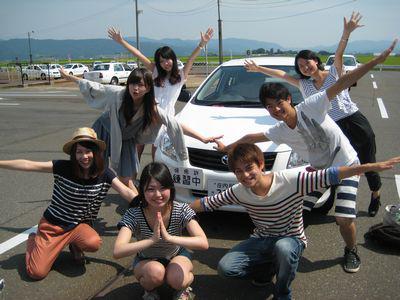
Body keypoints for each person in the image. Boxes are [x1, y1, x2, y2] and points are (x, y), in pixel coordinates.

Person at [214, 40, 397, 274]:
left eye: (279, 103)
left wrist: (376, 61)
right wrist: (224, 148)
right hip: (319, 172)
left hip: (348, 165)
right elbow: (251, 136)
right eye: (270, 107)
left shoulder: (312, 105)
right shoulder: (278, 130)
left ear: (289, 99)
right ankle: (284, 251)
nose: (276, 110)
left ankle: (351, 249)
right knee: (294, 210)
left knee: (343, 218)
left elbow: (343, 82)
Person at [190, 143, 400, 300]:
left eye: (249, 167)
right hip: (262, 238)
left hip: (291, 238)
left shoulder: (291, 180)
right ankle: (268, 269)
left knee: (283, 248)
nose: (245, 175)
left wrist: (370, 166)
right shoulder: (239, 191)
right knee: (226, 268)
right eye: (238, 171)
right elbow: (208, 203)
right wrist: (172, 210)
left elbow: (333, 173)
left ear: (261, 164)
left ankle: (282, 292)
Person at [244, 12, 383, 217]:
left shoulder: (334, 74)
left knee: (366, 160)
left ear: (316, 61)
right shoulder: (304, 85)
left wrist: (346, 34)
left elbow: (338, 56)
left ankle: (375, 194)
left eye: (307, 62)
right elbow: (281, 75)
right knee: (333, 166)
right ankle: (335, 202)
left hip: (353, 121)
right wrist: (258, 69)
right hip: (331, 128)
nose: (305, 67)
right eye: (300, 66)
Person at [0, 127, 139, 280]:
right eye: (79, 152)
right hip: (53, 226)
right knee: (36, 273)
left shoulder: (105, 173)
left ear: (95, 152)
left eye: (88, 151)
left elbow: (125, 192)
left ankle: (75, 245)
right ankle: (34, 241)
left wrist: (148, 205)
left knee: (93, 243)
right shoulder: (63, 168)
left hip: (78, 225)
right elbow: (29, 164)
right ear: (74, 154)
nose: (84, 156)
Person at [59, 67, 221, 191]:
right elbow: (94, 87)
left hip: (125, 139)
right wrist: (70, 77)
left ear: (148, 88)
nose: (135, 88)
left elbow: (174, 124)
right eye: (132, 83)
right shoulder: (117, 94)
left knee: (125, 177)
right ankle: (76, 191)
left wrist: (202, 138)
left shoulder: (151, 107)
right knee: (88, 164)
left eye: (140, 85)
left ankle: (139, 207)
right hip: (104, 129)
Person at [107, 27, 213, 159]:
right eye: (161, 61)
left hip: (164, 119)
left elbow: (191, 59)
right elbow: (139, 55)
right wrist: (121, 41)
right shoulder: (156, 72)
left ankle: (153, 179)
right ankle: (132, 178)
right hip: (147, 114)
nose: (165, 63)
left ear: (173, 59)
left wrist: (201, 45)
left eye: (167, 59)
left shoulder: (180, 76)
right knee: (135, 152)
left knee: (156, 155)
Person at [114, 162, 208, 300]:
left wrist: (170, 238)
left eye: (163, 188)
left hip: (176, 255)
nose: (158, 194)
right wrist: (152, 240)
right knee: (155, 272)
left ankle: (182, 288)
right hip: (146, 259)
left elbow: (203, 242)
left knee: (177, 279)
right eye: (151, 189)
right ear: (142, 191)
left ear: (171, 188)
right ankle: (150, 290)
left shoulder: (181, 209)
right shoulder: (134, 214)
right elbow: (117, 251)